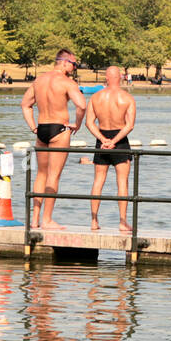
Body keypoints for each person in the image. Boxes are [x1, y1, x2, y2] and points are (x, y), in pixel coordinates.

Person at [20, 50, 87, 230]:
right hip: (60, 129)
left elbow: (25, 105)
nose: (75, 68)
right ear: (64, 62)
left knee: (40, 174)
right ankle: (47, 220)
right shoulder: (67, 82)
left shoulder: (38, 81)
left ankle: (34, 219)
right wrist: (78, 124)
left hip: (42, 129)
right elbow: (81, 105)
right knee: (53, 176)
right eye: (74, 64)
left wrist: (33, 127)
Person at [85, 65, 136, 232]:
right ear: (120, 77)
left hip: (102, 138)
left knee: (98, 181)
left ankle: (94, 221)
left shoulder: (95, 97)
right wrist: (114, 141)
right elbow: (129, 125)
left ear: (106, 78)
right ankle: (122, 222)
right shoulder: (127, 98)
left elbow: (89, 123)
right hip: (119, 140)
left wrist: (103, 140)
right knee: (122, 182)